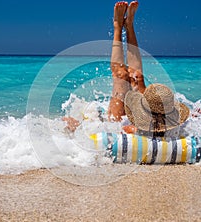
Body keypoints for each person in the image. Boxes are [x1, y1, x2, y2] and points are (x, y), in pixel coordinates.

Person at [64, 1, 190, 137]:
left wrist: (80, 126)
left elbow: (111, 130)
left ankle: (117, 27)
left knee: (121, 76)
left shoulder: (141, 129)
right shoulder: (169, 120)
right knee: (137, 77)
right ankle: (129, 26)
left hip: (120, 118)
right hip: (142, 112)